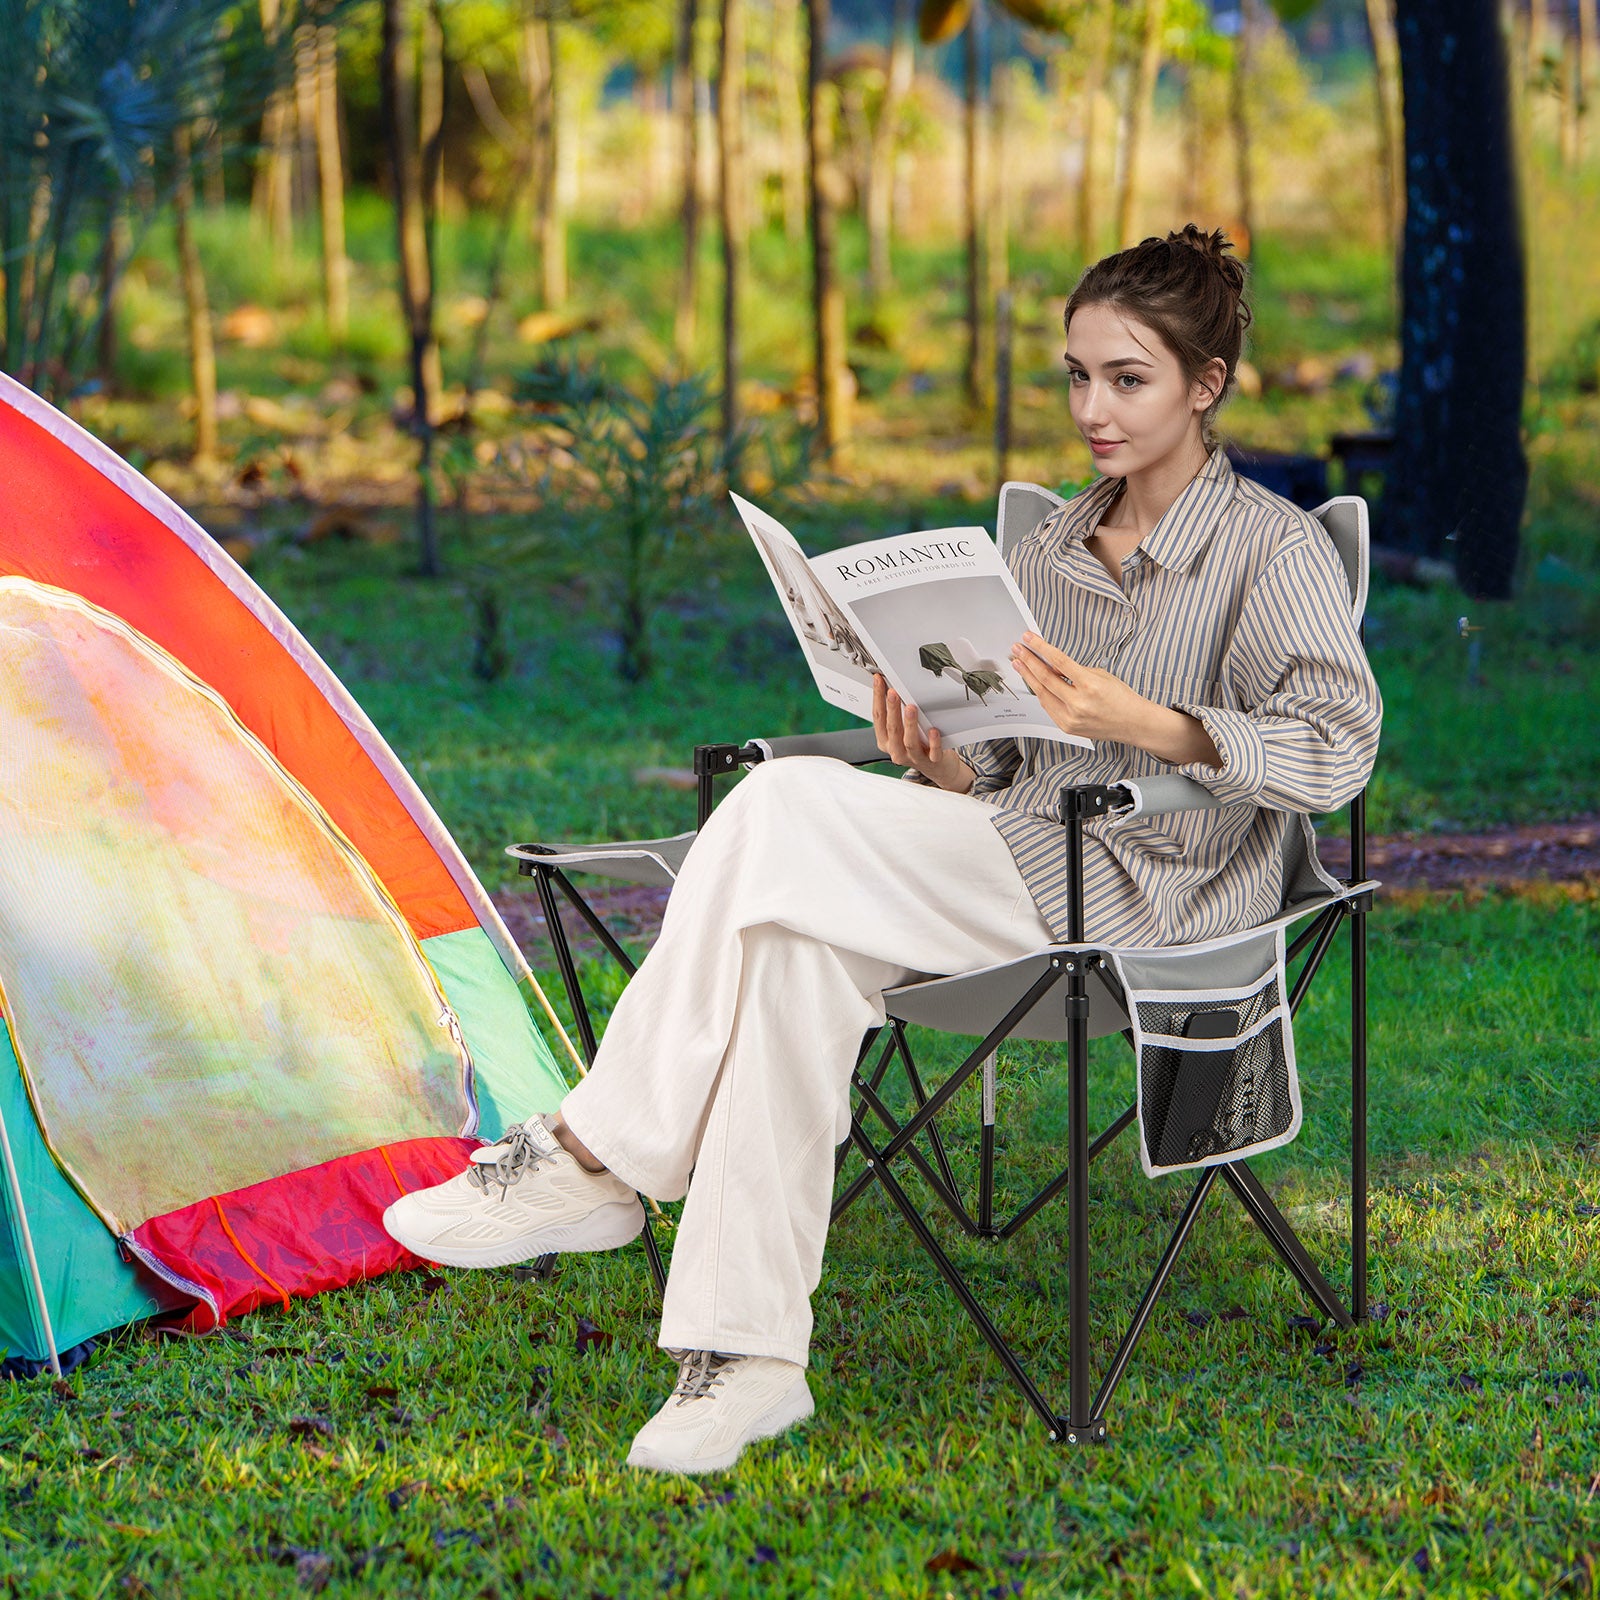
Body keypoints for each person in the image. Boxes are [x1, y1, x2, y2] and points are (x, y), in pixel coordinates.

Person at [383, 226, 1382, 1474]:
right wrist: (938, 747)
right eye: (1075, 375)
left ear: (1206, 384)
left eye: (1127, 378)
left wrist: (1145, 722)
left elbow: (1336, 749)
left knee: (779, 805)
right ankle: (747, 1362)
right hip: (1015, 864)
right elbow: (1009, 768)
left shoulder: (1270, 549)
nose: (1092, 408)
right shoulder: (1047, 550)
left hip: (1157, 908)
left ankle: (596, 1152)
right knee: (797, 950)